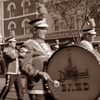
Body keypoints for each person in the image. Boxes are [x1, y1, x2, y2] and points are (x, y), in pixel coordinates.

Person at [18, 18, 54, 100]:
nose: (45, 31)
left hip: (51, 87)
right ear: (34, 30)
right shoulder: (28, 45)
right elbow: (23, 64)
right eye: (42, 29)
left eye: (46, 29)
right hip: (37, 89)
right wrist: (38, 73)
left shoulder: (46, 45)